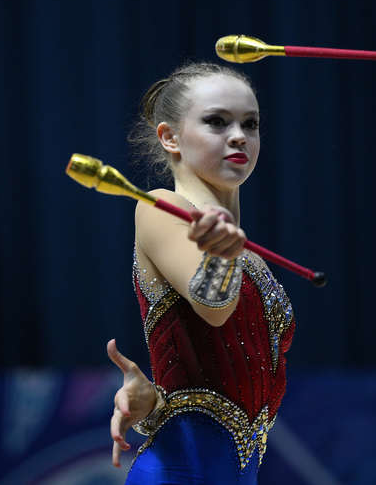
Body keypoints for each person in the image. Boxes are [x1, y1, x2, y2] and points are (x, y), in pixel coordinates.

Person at [106, 61, 295, 484]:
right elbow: (213, 306)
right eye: (216, 121)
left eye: (251, 123)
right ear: (170, 137)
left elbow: (217, 372)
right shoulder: (161, 208)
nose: (238, 135)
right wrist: (223, 254)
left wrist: (155, 405)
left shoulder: (252, 258)